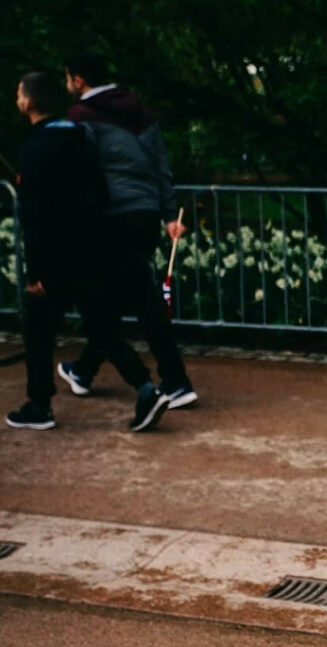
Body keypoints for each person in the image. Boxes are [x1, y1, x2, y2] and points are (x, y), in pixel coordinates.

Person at [6, 72, 170, 432]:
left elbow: (36, 219)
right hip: (93, 249)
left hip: (55, 257)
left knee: (38, 329)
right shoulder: (80, 137)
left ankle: (39, 404)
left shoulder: (35, 148)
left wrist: (37, 274)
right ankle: (145, 387)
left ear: (29, 102)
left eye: (19, 95)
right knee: (103, 325)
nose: (17, 99)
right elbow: (98, 193)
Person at [57, 54, 197, 410]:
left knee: (132, 300)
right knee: (120, 296)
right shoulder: (141, 112)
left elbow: (79, 170)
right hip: (145, 212)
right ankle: (85, 370)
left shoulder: (80, 117)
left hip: (109, 216)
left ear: (78, 79)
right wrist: (168, 214)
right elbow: (161, 166)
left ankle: (175, 380)